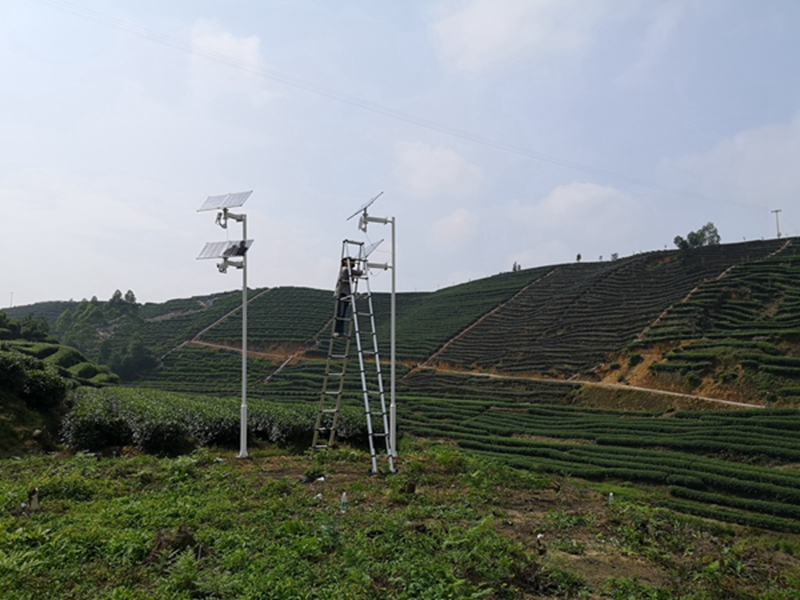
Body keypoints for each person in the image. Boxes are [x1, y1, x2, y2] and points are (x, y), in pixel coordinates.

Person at [334, 257, 362, 337]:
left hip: (346, 294)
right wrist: (360, 270)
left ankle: (341, 331)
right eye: (352, 262)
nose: (354, 263)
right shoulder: (345, 270)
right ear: (346, 263)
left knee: (343, 314)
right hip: (342, 294)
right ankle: (337, 331)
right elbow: (358, 273)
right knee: (340, 313)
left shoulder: (347, 270)